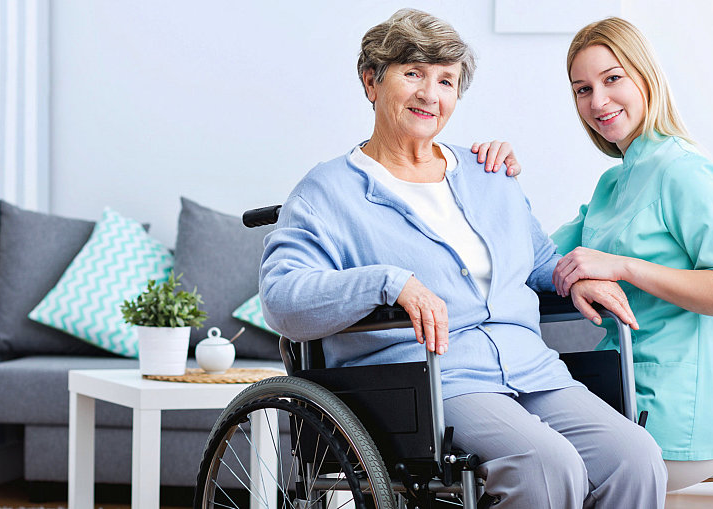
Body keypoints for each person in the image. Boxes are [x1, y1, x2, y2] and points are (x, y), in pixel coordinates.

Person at [260, 9, 666, 509]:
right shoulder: (328, 191)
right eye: (412, 74)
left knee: (637, 457)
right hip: (432, 381)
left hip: (531, 368)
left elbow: (535, 260)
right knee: (545, 465)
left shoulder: (485, 171)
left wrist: (571, 278)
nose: (431, 94)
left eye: (446, 80)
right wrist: (388, 283)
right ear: (371, 82)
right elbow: (282, 299)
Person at [473, 17, 713, 491]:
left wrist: (624, 266)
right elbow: (532, 258)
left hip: (683, 414)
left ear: (644, 76)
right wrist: (493, 181)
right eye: (582, 89)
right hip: (618, 390)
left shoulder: (684, 172)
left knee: (539, 478)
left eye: (612, 79)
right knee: (520, 463)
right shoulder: (614, 183)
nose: (598, 101)